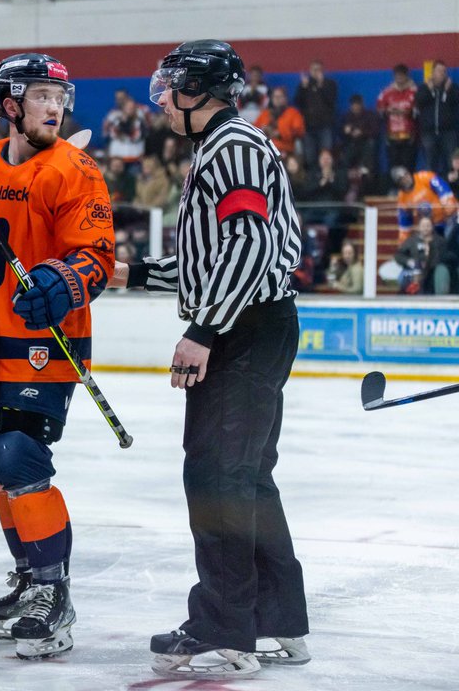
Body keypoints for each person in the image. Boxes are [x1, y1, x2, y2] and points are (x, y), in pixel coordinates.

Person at [116, 40, 309, 680]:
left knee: (218, 479)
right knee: (245, 479)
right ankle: (277, 620)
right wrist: (132, 273)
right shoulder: (227, 146)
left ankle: (226, 629)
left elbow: (249, 249)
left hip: (244, 332)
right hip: (252, 324)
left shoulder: (233, 149)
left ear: (199, 90)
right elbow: (215, 260)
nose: (163, 100)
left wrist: (203, 330)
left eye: (171, 88)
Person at [0, 53, 113, 660]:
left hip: (47, 340)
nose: (56, 106)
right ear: (11, 104)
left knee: (19, 454)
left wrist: (63, 283)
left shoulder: (77, 169)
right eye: (42, 95)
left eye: (60, 97)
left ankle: (53, 591)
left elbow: (95, 254)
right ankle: (28, 577)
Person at [414, 60, 459, 177]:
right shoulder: (423, 88)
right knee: (430, 163)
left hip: (448, 132)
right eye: (439, 71)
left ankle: (453, 190)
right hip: (428, 132)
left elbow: (456, 102)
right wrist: (429, 89)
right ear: (432, 72)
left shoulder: (453, 87)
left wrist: (448, 91)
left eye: (444, 71)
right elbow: (419, 101)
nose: (442, 73)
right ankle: (431, 189)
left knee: (452, 163)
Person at [390, 165, 457, 239]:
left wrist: (448, 202)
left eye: (406, 174)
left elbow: (442, 188)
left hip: (449, 218)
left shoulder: (423, 177)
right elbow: (405, 226)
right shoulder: (402, 198)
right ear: (398, 183)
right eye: (401, 179)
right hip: (431, 226)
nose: (406, 179)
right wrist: (403, 244)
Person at [294, 60, 338, 170]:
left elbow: (331, 100)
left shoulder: (329, 84)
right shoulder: (305, 85)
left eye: (319, 70)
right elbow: (297, 102)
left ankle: (327, 178)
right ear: (310, 71)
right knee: (310, 157)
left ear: (323, 71)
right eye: (314, 70)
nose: (316, 72)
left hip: (325, 126)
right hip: (308, 127)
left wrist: (321, 85)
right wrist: (303, 88)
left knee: (326, 154)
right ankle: (312, 182)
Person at [395, 213, 453, 295]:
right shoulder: (412, 240)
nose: (425, 228)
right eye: (423, 226)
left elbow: (447, 257)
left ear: (432, 227)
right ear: (419, 227)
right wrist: (409, 261)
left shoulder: (440, 241)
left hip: (433, 274)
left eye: (428, 225)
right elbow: (398, 255)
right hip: (414, 273)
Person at [376, 64, 418, 174]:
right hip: (392, 136)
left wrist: (409, 112)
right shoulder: (386, 92)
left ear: (406, 76)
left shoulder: (414, 91)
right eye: (397, 76)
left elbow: (419, 111)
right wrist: (387, 111)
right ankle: (394, 188)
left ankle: (410, 189)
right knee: (393, 164)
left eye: (402, 76)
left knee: (408, 163)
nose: (399, 78)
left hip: (409, 135)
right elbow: (379, 111)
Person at [255, 86, 305, 159]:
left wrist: (280, 133)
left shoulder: (293, 113)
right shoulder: (265, 113)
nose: (277, 99)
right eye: (275, 96)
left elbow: (299, 131)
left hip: (286, 151)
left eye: (280, 96)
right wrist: (262, 130)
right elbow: (254, 128)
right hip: (266, 151)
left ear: (285, 98)